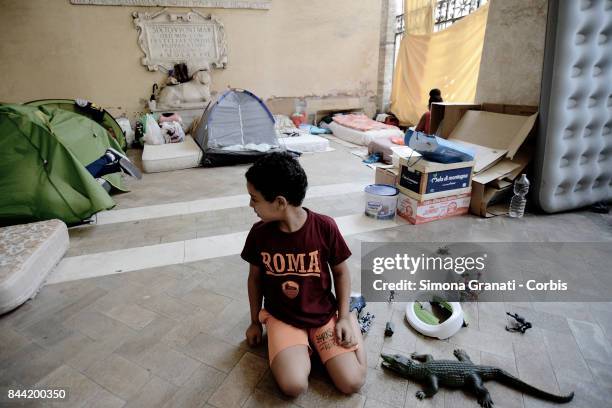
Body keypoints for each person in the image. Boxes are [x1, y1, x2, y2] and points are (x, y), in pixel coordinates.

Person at [241, 152, 366, 397]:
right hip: (282, 316)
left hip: (324, 316)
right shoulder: (259, 234)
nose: (250, 205)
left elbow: (341, 274)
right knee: (293, 386)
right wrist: (255, 322)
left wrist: (341, 318)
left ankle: (352, 316)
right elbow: (254, 279)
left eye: (254, 199)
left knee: (352, 383)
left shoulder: (324, 227)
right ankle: (305, 347)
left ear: (279, 202)